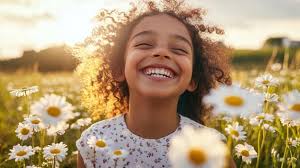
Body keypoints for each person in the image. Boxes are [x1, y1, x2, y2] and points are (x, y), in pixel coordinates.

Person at [75, 0, 233, 167]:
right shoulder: (94, 142)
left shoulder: (213, 147)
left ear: (193, 79)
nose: (161, 52)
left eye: (179, 49)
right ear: (119, 69)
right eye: (144, 44)